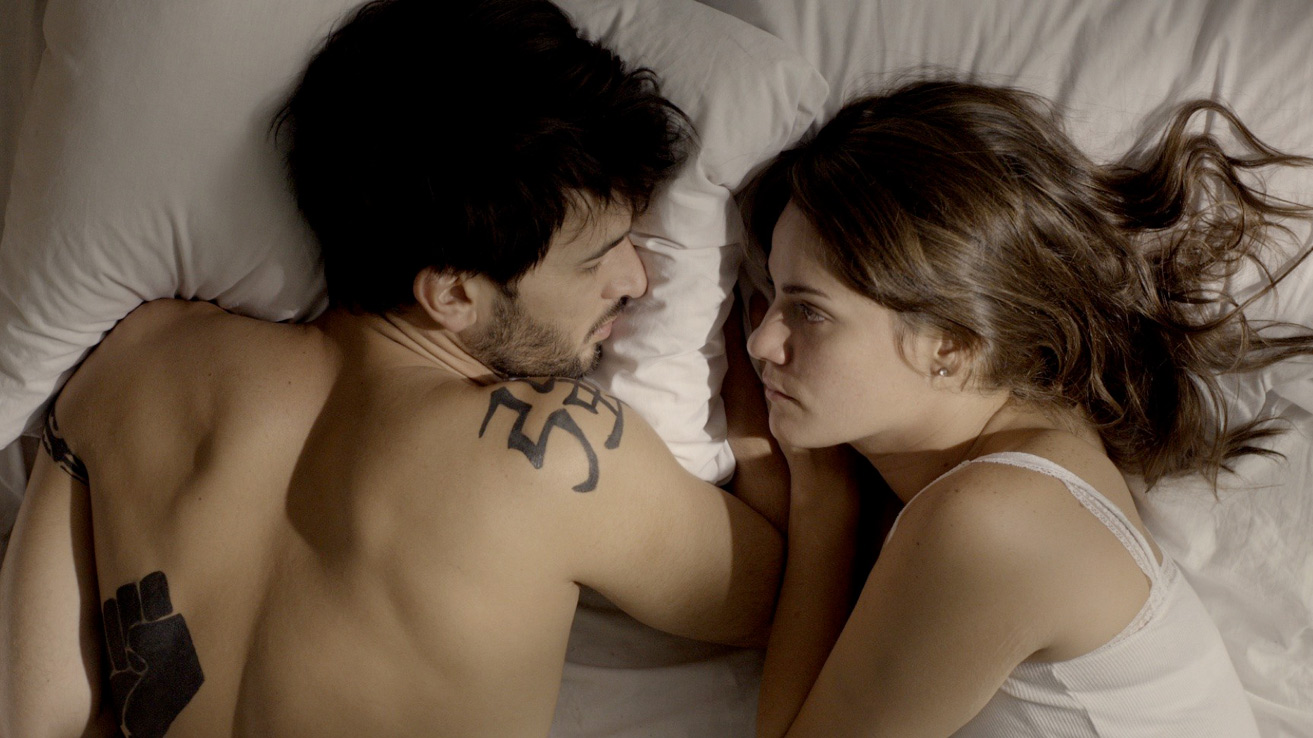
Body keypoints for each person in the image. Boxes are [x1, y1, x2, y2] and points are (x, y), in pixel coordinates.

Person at [0, 1, 786, 735]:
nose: (637, 280)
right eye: (598, 257)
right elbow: (778, 600)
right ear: (453, 294)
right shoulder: (557, 455)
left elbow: (35, 715)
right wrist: (775, 432)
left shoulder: (130, 369)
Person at [742, 79, 1313, 737]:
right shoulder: (1039, 437)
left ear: (951, 343)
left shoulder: (994, 519)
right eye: (772, 293)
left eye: (808, 311)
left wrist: (822, 501)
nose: (761, 341)